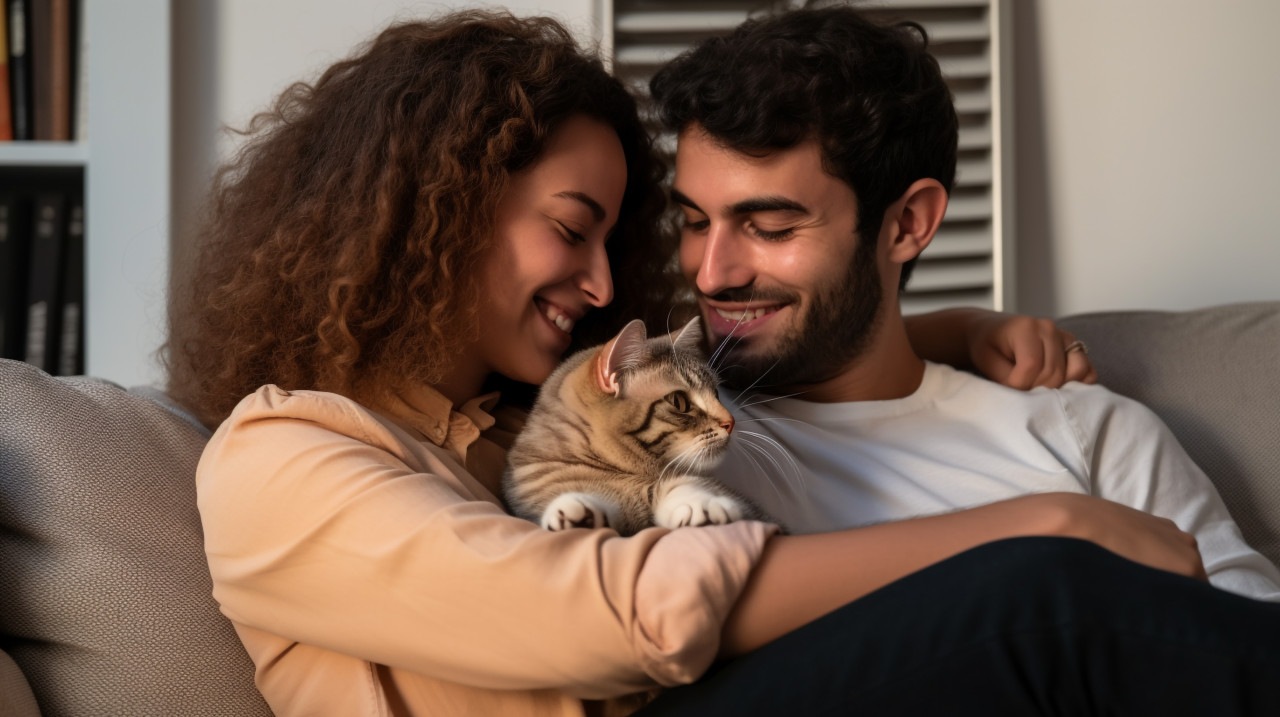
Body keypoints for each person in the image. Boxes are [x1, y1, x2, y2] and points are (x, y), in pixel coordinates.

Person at [166, 9, 1280, 717]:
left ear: (905, 225)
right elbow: (603, 610)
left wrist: (956, 335)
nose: (645, 282)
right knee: (1044, 593)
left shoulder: (521, 419)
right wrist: (1031, 523)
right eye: (580, 228)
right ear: (437, 215)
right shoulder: (284, 457)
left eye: (766, 223)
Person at [647, 5, 1280, 602]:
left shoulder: (1087, 436)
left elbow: (1247, 658)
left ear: (907, 224)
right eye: (696, 222)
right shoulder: (648, 436)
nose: (709, 274)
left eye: (771, 227)